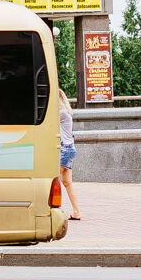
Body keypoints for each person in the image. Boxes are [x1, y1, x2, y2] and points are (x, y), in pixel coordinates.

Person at [59, 88, 82, 220]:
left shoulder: (61, 113)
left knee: (52, 179)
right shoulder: (66, 112)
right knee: (67, 182)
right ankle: (76, 212)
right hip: (70, 149)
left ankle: (52, 210)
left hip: (64, 150)